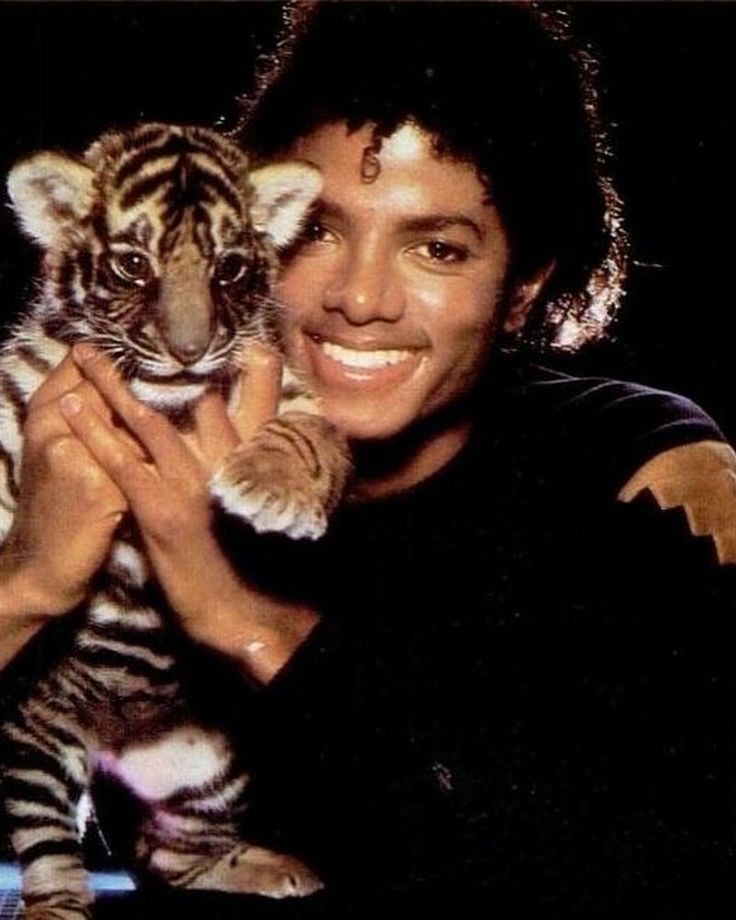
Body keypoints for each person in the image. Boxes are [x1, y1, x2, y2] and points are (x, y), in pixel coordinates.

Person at [1, 3, 735, 917]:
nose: (360, 299)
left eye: (437, 247)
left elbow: (630, 866)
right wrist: (27, 583)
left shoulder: (625, 478)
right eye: (318, 230)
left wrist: (240, 612)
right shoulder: (97, 426)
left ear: (522, 293)